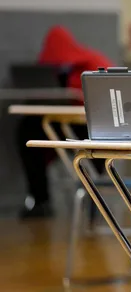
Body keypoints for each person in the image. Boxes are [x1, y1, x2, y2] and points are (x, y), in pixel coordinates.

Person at [17, 25, 114, 218]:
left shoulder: (93, 61)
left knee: (93, 146)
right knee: (26, 130)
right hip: (64, 121)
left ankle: (95, 193)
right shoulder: (53, 72)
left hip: (92, 125)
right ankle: (40, 199)